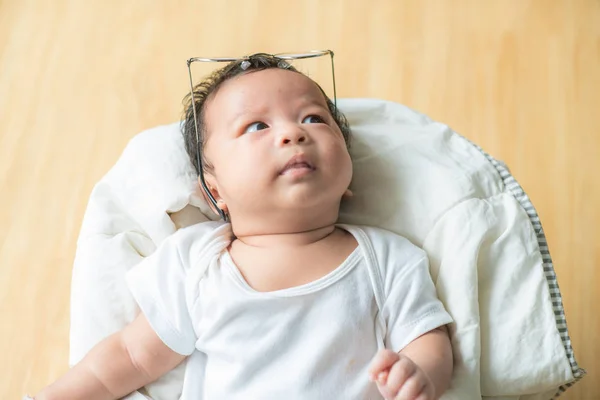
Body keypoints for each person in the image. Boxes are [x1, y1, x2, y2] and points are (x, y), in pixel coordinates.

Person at [30, 53, 453, 400]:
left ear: (348, 179)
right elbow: (130, 357)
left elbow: (427, 338)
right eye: (257, 126)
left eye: (313, 119)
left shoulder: (387, 259)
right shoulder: (196, 264)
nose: (292, 133)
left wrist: (420, 374)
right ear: (215, 192)